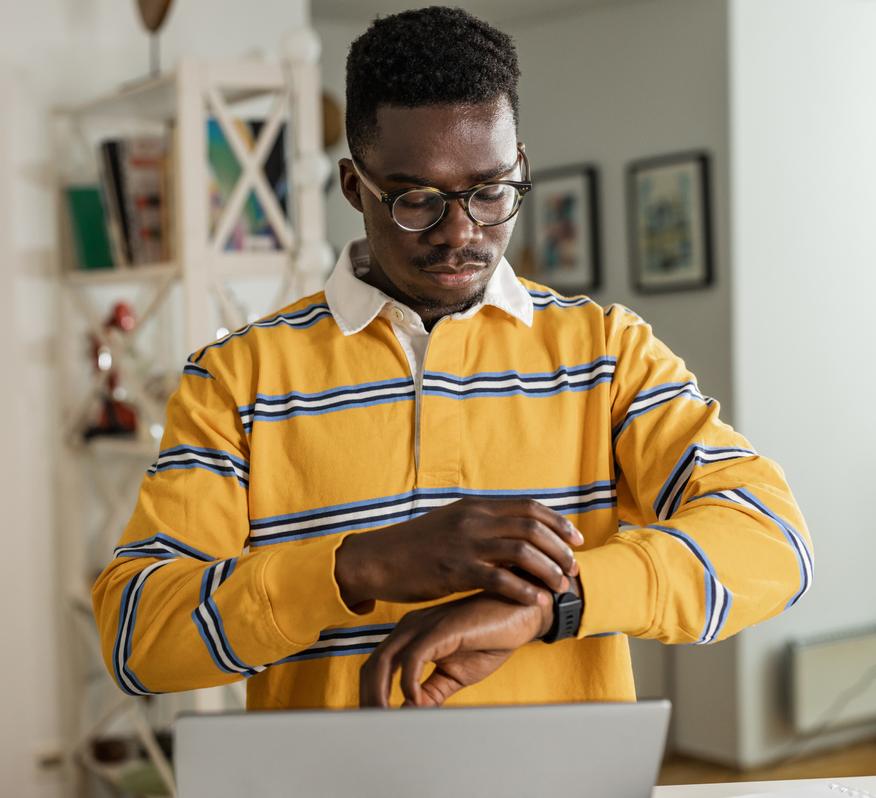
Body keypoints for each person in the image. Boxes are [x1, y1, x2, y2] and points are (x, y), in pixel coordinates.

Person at [92, 6, 812, 710]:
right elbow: (136, 638)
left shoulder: (606, 354)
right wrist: (359, 564)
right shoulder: (236, 381)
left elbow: (770, 539)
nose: (459, 233)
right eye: (416, 199)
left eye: (490, 192)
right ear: (354, 186)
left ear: (519, 166)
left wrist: (551, 605)